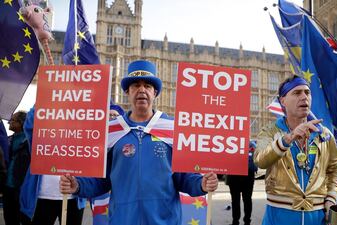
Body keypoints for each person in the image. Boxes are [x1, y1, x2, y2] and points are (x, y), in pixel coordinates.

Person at [59, 60, 218, 225]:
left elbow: (183, 177)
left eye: (147, 86)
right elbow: (101, 180)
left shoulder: (173, 129)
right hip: (122, 220)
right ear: (128, 91)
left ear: (155, 93)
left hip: (165, 221)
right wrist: (77, 185)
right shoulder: (111, 131)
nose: (142, 90)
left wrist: (201, 183)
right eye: (135, 85)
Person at [254, 76, 337, 225]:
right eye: (297, 93)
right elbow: (260, 160)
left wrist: (331, 198)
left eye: (307, 93)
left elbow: (335, 170)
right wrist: (288, 139)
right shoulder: (269, 131)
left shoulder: (325, 135)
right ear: (283, 101)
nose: (304, 97)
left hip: (316, 217)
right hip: (280, 217)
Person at [19, 107, 86, 225]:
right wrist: (45, 98)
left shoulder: (80, 136)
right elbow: (29, 125)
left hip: (73, 198)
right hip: (42, 196)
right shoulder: (40, 136)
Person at [3, 111, 30, 225]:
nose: (9, 122)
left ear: (21, 123)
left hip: (22, 188)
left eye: (12, 120)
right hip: (8, 187)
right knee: (9, 219)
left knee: (24, 219)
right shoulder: (8, 140)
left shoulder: (31, 141)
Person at [226, 140, 258, 225]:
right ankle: (244, 221)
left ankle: (239, 221)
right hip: (241, 175)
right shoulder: (251, 144)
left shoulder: (230, 142)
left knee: (239, 200)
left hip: (239, 175)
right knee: (244, 199)